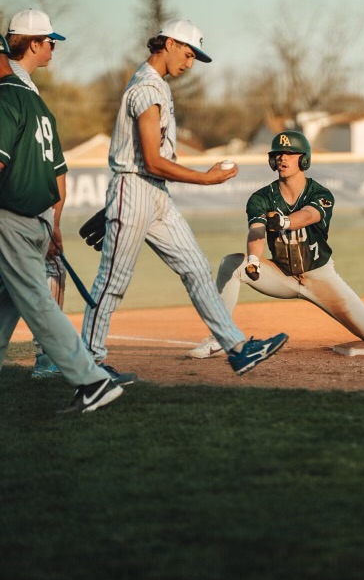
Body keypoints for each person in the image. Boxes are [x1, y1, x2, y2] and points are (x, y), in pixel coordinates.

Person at [81, 19, 288, 378]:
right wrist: (205, 179)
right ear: (170, 43)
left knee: (195, 268)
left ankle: (238, 350)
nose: (190, 64)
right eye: (189, 54)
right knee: (112, 282)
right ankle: (89, 365)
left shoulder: (157, 85)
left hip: (153, 193)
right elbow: (151, 160)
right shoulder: (146, 88)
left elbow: (155, 163)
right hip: (135, 188)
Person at [186, 130, 364, 359]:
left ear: (304, 159)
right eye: (278, 153)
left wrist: (284, 221)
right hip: (283, 275)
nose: (282, 158)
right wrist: (254, 259)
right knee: (232, 263)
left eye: (289, 153)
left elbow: (310, 215)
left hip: (320, 276)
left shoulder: (319, 192)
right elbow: (256, 230)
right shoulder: (261, 198)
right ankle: (220, 336)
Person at [0, 33, 123, 413]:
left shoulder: (4, 99)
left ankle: (92, 380)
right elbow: (56, 174)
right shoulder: (35, 102)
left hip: (12, 220)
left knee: (36, 302)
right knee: (6, 305)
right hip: (36, 220)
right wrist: (53, 223)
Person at [6, 9, 68, 380]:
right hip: (16, 211)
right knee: (45, 272)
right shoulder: (12, 87)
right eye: (49, 41)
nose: (52, 47)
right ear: (32, 43)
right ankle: (48, 359)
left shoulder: (25, 85)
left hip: (27, 210)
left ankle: (48, 357)